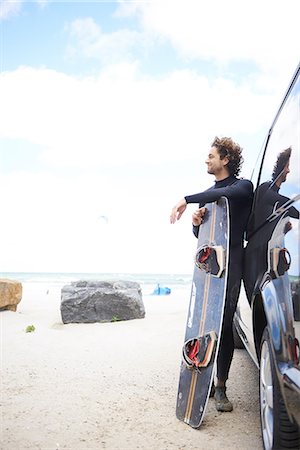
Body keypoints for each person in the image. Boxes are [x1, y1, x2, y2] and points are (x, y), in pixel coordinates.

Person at [170, 136, 253, 412]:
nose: (206, 160)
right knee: (204, 324)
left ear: (226, 159)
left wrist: (186, 199)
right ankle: (201, 380)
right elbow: (202, 236)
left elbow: (225, 196)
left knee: (224, 323)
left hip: (234, 266)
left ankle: (221, 386)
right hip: (210, 268)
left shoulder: (242, 187)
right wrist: (196, 222)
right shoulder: (208, 195)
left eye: (211, 155)